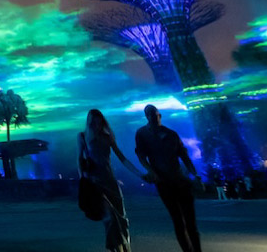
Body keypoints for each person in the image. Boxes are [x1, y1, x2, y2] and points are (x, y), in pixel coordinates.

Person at [135, 104, 202, 252]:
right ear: (147, 117)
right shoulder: (141, 134)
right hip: (164, 183)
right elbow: (141, 157)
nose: (153, 117)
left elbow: (184, 157)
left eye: (155, 114)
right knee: (178, 221)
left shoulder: (172, 134)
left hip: (181, 181)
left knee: (190, 223)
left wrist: (195, 175)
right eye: (150, 115)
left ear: (160, 115)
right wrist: (151, 171)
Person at [79, 108, 147, 252]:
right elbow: (80, 160)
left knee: (121, 218)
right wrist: (83, 182)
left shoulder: (107, 136)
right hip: (95, 183)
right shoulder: (83, 136)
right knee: (109, 218)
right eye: (93, 122)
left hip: (110, 180)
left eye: (98, 121)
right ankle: (116, 248)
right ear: (90, 123)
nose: (96, 125)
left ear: (101, 121)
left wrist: (139, 174)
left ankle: (126, 248)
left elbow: (122, 158)